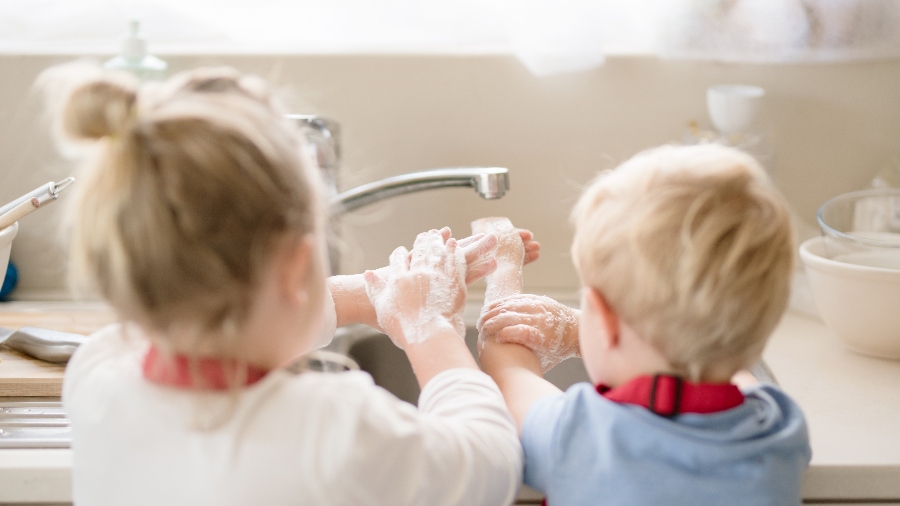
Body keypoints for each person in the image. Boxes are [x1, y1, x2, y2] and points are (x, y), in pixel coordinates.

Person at [53, 65, 536, 505]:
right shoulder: (333, 431)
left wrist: (376, 293)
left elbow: (215, 317)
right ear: (296, 264)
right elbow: (490, 463)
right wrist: (429, 328)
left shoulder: (97, 376)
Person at [477, 144, 812, 505]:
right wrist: (581, 331)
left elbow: (509, 373)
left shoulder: (582, 435)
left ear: (604, 321)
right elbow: (732, 369)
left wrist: (504, 267)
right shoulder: (780, 427)